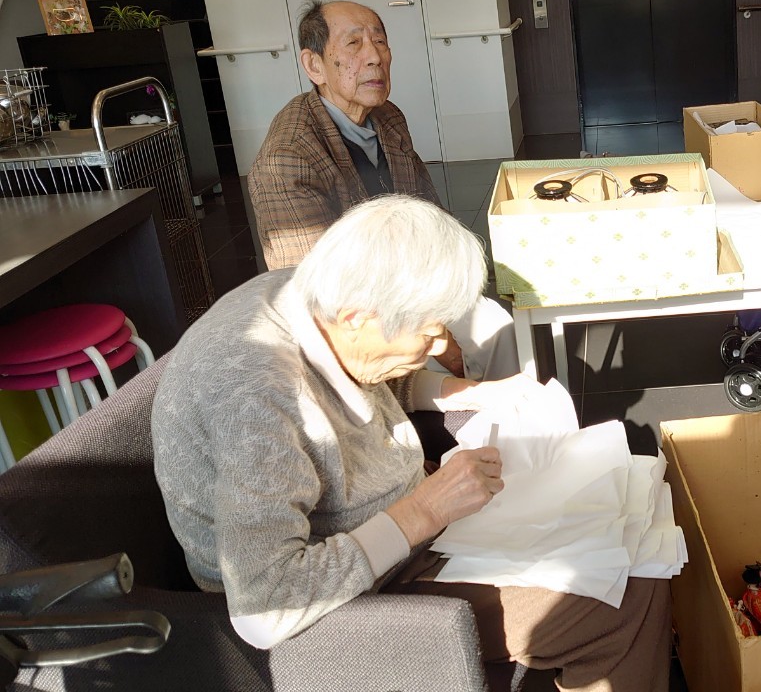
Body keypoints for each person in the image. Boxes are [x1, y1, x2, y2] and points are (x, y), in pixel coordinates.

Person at [152, 195, 671, 691]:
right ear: (358, 318)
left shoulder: (308, 294)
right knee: (628, 592)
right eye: (428, 331)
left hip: (394, 521)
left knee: (632, 522)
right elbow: (266, 607)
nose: (441, 344)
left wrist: (469, 392)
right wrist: (425, 509)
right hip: (347, 598)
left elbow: (360, 371)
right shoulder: (256, 397)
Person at [248, 0, 515, 384]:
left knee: (494, 324)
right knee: (460, 361)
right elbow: (317, 292)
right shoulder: (288, 157)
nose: (374, 57)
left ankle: (504, 413)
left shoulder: (387, 117)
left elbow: (430, 213)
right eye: (353, 44)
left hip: (412, 280)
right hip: (357, 325)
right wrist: (441, 342)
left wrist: (451, 283)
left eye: (380, 42)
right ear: (314, 65)